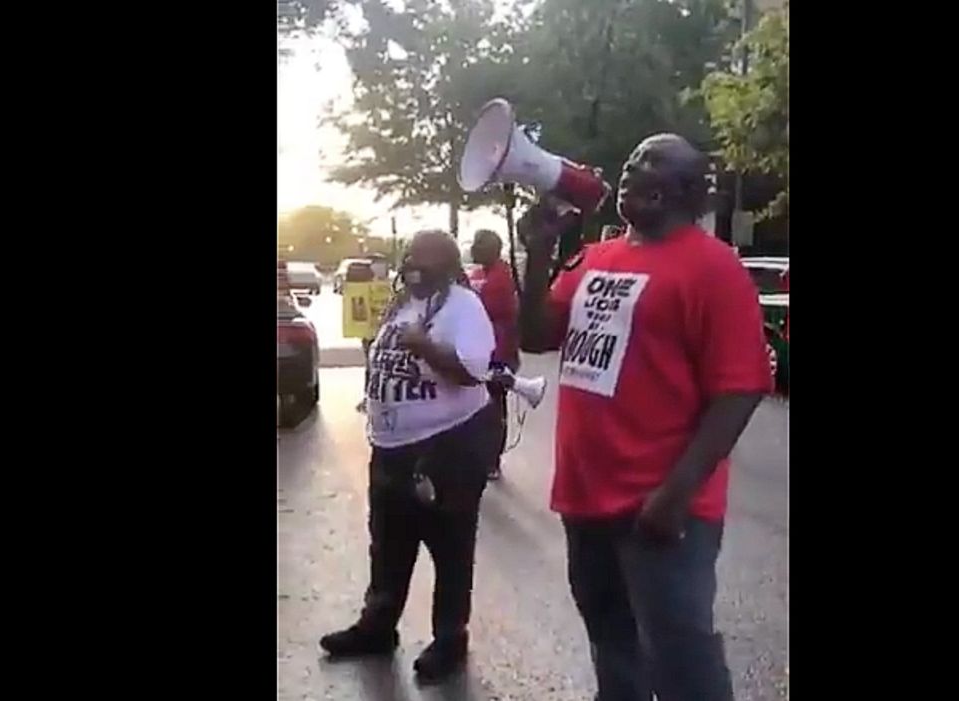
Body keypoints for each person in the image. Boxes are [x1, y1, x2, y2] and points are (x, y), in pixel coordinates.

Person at [517, 134, 773, 701]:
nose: (635, 168)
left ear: (690, 189)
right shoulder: (597, 258)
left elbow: (741, 388)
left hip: (658, 508)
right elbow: (536, 335)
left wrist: (676, 494)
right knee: (613, 649)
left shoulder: (714, 267)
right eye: (632, 159)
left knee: (684, 664)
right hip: (584, 500)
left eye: (655, 162)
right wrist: (538, 254)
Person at [320, 230, 501, 684]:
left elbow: (472, 371)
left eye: (424, 259)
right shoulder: (404, 301)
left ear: (447, 263)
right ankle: (379, 626)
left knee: (450, 546)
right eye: (410, 257)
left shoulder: (463, 305)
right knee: (388, 543)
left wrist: (423, 345)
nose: (412, 266)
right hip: (391, 448)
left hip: (446, 446)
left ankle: (449, 638)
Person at [468, 229, 520, 480]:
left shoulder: (502, 275)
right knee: (477, 408)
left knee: (493, 409)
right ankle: (478, 456)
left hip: (498, 351)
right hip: (478, 350)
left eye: (480, 244)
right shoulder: (478, 273)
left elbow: (487, 309)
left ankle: (492, 461)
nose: (474, 248)